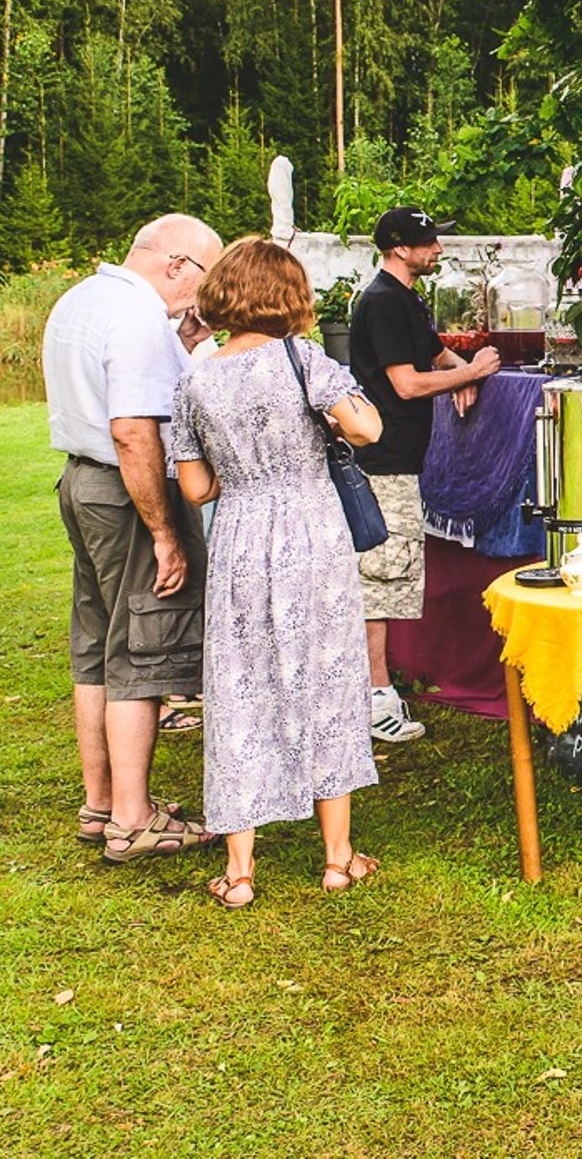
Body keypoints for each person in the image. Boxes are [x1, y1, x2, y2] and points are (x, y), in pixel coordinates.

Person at [168, 237, 386, 908]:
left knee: (238, 683)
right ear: (288, 295)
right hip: (312, 534)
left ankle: (239, 872)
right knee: (326, 675)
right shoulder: (302, 359)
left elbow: (198, 486)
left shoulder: (197, 376)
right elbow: (367, 429)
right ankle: (337, 858)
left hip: (238, 536)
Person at [43, 213, 221, 862]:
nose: (204, 294)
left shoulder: (85, 297)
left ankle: (101, 802)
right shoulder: (141, 316)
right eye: (205, 276)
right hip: (127, 493)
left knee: (96, 645)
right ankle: (133, 818)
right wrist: (164, 533)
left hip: (82, 483)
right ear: (176, 264)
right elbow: (134, 430)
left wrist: (188, 337)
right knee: (143, 650)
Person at [347, 206, 500, 742]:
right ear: (397, 248)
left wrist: (459, 372)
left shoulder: (406, 299)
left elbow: (432, 357)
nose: (437, 249)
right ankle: (374, 697)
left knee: (392, 576)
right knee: (381, 581)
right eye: (427, 242)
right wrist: (476, 371)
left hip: (401, 460)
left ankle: (374, 690)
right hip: (383, 461)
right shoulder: (382, 302)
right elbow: (407, 384)